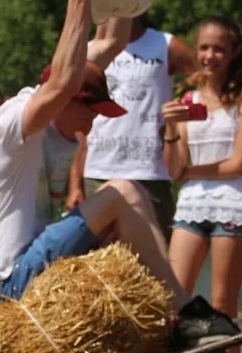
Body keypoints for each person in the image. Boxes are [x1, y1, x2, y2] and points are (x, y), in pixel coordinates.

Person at [0, 0, 240, 351]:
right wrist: (79, 0)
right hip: (14, 283)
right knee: (124, 191)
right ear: (65, 101)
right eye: (90, 112)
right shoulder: (12, 125)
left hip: (47, 269)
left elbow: (112, 40)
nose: (94, 123)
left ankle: (162, 314)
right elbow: (61, 83)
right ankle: (181, 312)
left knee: (128, 206)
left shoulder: (59, 109)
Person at [123, 16, 242, 353]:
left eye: (219, 48)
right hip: (192, 207)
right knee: (171, 300)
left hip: (234, 207)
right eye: (204, 48)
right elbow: (173, 168)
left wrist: (190, 171)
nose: (209, 56)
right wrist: (170, 127)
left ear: (234, 50)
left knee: (223, 306)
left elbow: (238, 164)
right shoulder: (187, 97)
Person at [73, 14, 197, 234]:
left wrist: (180, 112)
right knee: (100, 261)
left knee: (154, 258)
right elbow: (79, 124)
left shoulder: (165, 45)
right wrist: (75, 185)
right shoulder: (91, 51)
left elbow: (206, 80)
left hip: (149, 174)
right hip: (98, 172)